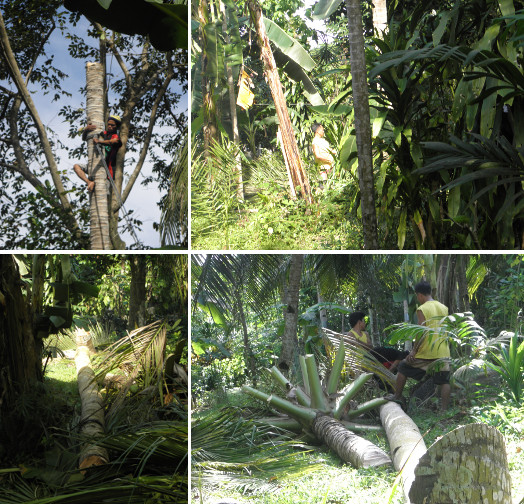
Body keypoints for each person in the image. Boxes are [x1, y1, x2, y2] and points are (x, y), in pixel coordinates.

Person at [386, 280, 451, 411]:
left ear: (420, 295)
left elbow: (421, 332)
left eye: (417, 296)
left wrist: (414, 351)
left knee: (403, 366)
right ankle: (444, 410)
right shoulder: (444, 308)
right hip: (443, 350)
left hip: (428, 352)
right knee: (444, 380)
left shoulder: (422, 309)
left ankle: (397, 395)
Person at [73, 115, 122, 191]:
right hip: (94, 166)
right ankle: (89, 182)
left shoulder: (116, 137)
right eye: (108, 124)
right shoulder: (104, 133)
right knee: (76, 166)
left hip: (107, 172)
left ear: (117, 127)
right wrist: (86, 130)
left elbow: (113, 141)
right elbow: (85, 138)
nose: (109, 126)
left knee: (103, 194)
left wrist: (99, 142)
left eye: (112, 125)